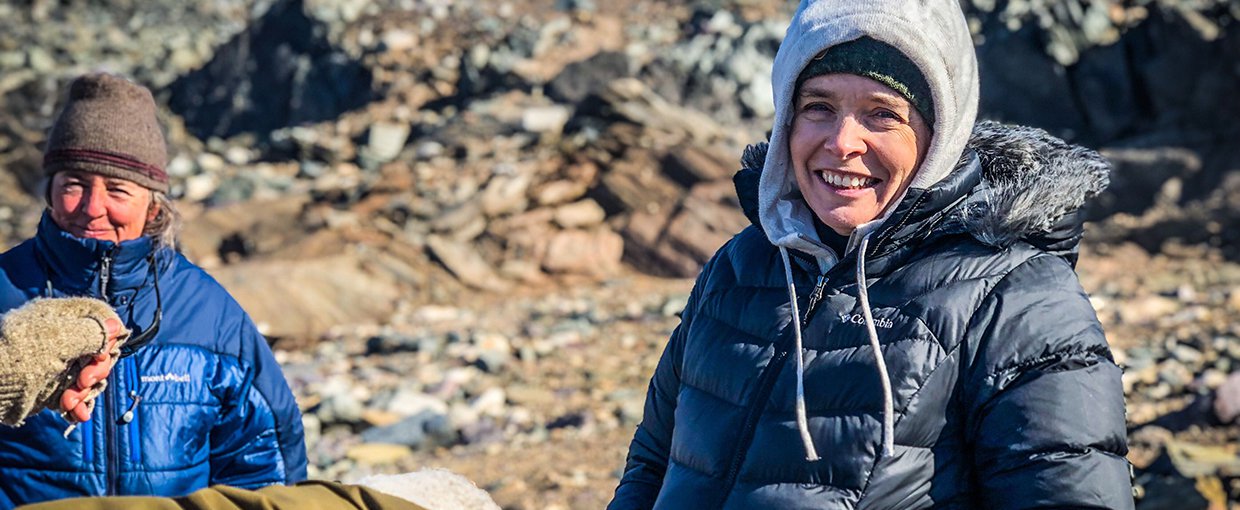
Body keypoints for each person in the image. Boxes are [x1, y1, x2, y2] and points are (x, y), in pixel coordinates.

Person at [609, 0, 1132, 508]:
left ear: (940, 133)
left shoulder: (1017, 299)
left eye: (882, 114)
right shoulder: (739, 268)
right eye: (818, 106)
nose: (842, 142)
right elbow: (653, 464)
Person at [0, 72, 307, 506]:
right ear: (49, 190)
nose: (92, 208)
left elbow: (262, 459)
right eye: (74, 184)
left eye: (117, 189)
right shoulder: (5, 290)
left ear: (153, 202)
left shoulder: (210, 313)